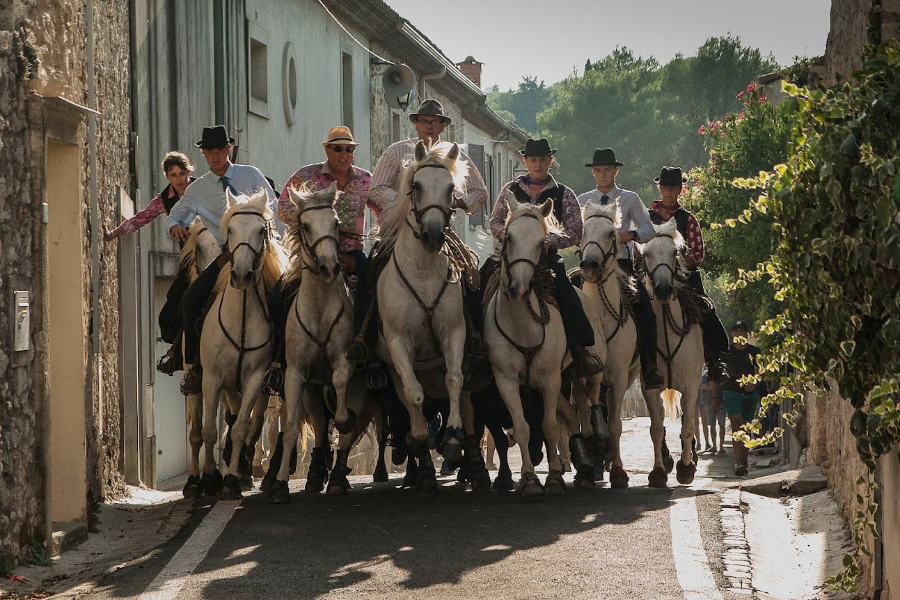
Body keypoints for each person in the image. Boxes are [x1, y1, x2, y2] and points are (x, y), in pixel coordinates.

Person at [355, 99, 488, 350]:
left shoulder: (455, 155)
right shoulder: (397, 151)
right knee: (367, 277)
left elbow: (480, 191)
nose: (429, 126)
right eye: (425, 121)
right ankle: (363, 342)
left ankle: (475, 342)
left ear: (442, 125)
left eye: (435, 121)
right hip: (396, 233)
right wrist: (408, 204)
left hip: (442, 231)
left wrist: (457, 202)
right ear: (416, 123)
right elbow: (377, 188)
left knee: (472, 277)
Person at [167, 125, 286, 395]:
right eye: (210, 150)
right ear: (204, 153)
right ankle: (193, 367)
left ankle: (281, 365)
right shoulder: (197, 190)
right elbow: (177, 214)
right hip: (226, 257)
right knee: (190, 300)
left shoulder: (251, 175)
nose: (215, 155)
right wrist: (174, 225)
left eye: (220, 149)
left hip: (262, 253)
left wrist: (283, 240)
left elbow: (276, 209)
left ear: (228, 150)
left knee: (284, 298)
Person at [265, 126, 378, 390]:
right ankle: (277, 363)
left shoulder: (366, 180)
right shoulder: (306, 175)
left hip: (352, 252)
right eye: (338, 148)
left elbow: (382, 211)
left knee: (374, 296)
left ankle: (372, 362)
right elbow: (282, 207)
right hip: (310, 257)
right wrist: (310, 223)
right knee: (276, 297)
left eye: (349, 149)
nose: (344, 153)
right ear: (327, 150)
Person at [489, 138, 602, 377]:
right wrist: (511, 236)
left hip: (547, 259)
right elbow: (495, 221)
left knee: (568, 295)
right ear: (525, 161)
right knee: (481, 284)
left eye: (542, 159)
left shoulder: (564, 194)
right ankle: (476, 347)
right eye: (533, 159)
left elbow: (575, 231)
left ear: (550, 161)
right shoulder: (510, 189)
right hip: (510, 256)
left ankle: (580, 350)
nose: (537, 164)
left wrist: (547, 241)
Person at [576, 148, 664, 389]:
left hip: (622, 266)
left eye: (607, 170)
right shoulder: (582, 200)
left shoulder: (630, 198)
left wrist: (632, 235)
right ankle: (572, 362)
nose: (603, 174)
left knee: (645, 307)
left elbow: (649, 229)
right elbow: (572, 232)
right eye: (598, 170)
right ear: (593, 172)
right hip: (589, 265)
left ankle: (649, 366)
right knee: (569, 303)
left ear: (616, 171)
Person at [103, 151, 196, 374]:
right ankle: (179, 353)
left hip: (212, 253)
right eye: (174, 175)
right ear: (167, 177)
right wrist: (113, 234)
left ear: (189, 172)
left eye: (182, 174)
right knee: (175, 306)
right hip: (188, 261)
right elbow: (141, 218)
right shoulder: (165, 199)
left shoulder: (203, 188)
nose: (180, 180)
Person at [648, 166, 729, 380]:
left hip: (685, 278)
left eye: (673, 187)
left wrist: (676, 261)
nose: (669, 191)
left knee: (705, 310)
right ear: (659, 188)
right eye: (665, 187)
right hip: (650, 275)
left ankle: (714, 360)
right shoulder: (646, 218)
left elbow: (698, 253)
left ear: (681, 190)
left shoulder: (688, 219)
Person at [721, 320, 760, 476]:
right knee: (736, 424)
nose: (739, 334)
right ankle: (739, 462)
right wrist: (715, 397)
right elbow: (719, 374)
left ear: (747, 333)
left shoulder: (754, 351)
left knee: (746, 427)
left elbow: (761, 370)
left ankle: (743, 462)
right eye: (736, 331)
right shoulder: (726, 352)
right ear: (732, 334)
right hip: (731, 392)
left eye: (742, 330)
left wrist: (755, 382)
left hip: (749, 394)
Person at [697, 370, 714, 452]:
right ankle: (698, 442)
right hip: (697, 398)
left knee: (705, 422)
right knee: (696, 423)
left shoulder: (705, 374)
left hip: (704, 399)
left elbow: (705, 386)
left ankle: (706, 442)